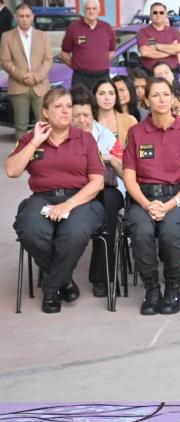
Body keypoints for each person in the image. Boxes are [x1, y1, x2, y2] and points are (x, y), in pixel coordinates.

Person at [6, 87, 105, 313]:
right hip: (42, 198)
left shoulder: (85, 139)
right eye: (59, 106)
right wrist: (34, 141)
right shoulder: (32, 138)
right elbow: (12, 171)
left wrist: (69, 204)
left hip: (81, 199)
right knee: (30, 231)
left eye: (68, 106)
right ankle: (65, 281)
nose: (65, 111)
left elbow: (97, 182)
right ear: (45, 112)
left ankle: (51, 291)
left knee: (72, 234)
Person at [122, 77, 180, 316]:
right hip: (143, 199)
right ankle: (152, 289)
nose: (162, 100)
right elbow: (129, 178)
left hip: (176, 199)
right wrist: (147, 205)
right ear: (146, 100)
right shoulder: (136, 132)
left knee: (169, 232)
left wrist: (169, 205)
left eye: (166, 94)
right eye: (155, 95)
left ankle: (172, 288)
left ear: (173, 97)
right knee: (142, 232)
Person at [70, 86, 124, 298]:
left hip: (108, 188)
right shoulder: (63, 136)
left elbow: (123, 171)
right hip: (75, 190)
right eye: (76, 116)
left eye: (86, 115)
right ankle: (61, 276)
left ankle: (102, 276)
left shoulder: (105, 135)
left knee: (108, 206)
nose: (82, 120)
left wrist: (109, 158)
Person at [0, 4, 52, 141]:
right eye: (21, 16)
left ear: (32, 17)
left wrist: (36, 77)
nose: (24, 19)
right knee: (21, 126)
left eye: (27, 16)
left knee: (44, 125)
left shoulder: (42, 36)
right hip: (18, 87)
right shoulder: (7, 37)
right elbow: (5, 61)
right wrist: (23, 76)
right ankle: (22, 158)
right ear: (16, 18)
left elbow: (48, 60)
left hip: (40, 86)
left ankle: (46, 158)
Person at [60, 0, 116, 89]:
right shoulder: (73, 28)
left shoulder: (107, 28)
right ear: (84, 10)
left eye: (94, 8)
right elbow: (64, 54)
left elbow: (112, 51)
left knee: (102, 102)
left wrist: (99, 62)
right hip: (81, 78)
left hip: (103, 77)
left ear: (99, 10)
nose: (91, 11)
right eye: (88, 8)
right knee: (81, 102)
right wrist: (77, 66)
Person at [137, 2, 180, 73]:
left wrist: (156, 46)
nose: (158, 15)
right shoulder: (143, 31)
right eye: (155, 12)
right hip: (151, 73)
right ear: (150, 15)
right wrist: (171, 52)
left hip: (171, 72)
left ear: (165, 15)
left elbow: (179, 48)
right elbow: (144, 52)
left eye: (161, 12)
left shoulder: (174, 31)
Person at [92, 78, 138, 148]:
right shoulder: (88, 123)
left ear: (116, 97)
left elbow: (137, 149)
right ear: (94, 96)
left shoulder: (130, 121)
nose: (107, 98)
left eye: (111, 93)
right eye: (101, 94)